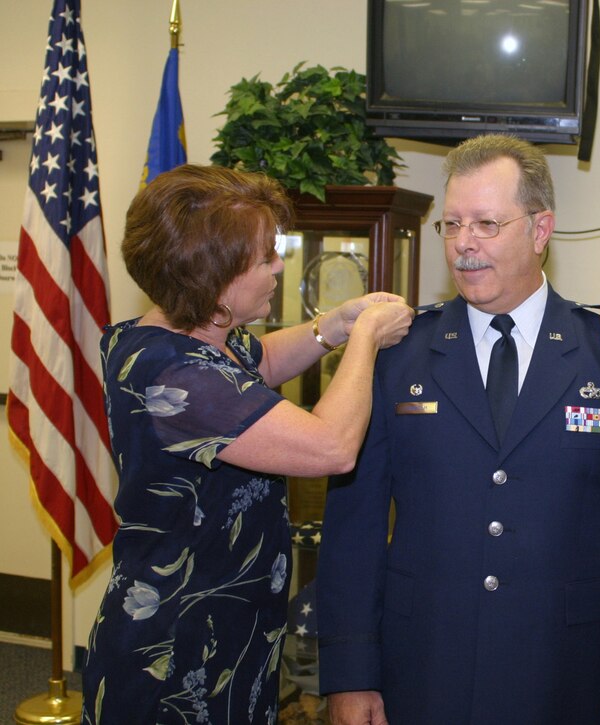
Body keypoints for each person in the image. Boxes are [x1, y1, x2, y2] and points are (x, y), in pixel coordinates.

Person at [318, 134, 600, 725]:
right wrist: (348, 673)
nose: (463, 244)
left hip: (567, 675)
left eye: (487, 223)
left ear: (540, 231)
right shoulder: (397, 356)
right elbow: (354, 529)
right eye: (452, 224)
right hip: (419, 672)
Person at [80, 164, 414, 723]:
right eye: (265, 259)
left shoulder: (183, 336)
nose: (279, 267)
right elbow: (330, 447)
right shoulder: (174, 377)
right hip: (178, 654)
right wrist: (365, 340)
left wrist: (329, 326)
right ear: (213, 277)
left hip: (232, 634)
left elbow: (257, 361)